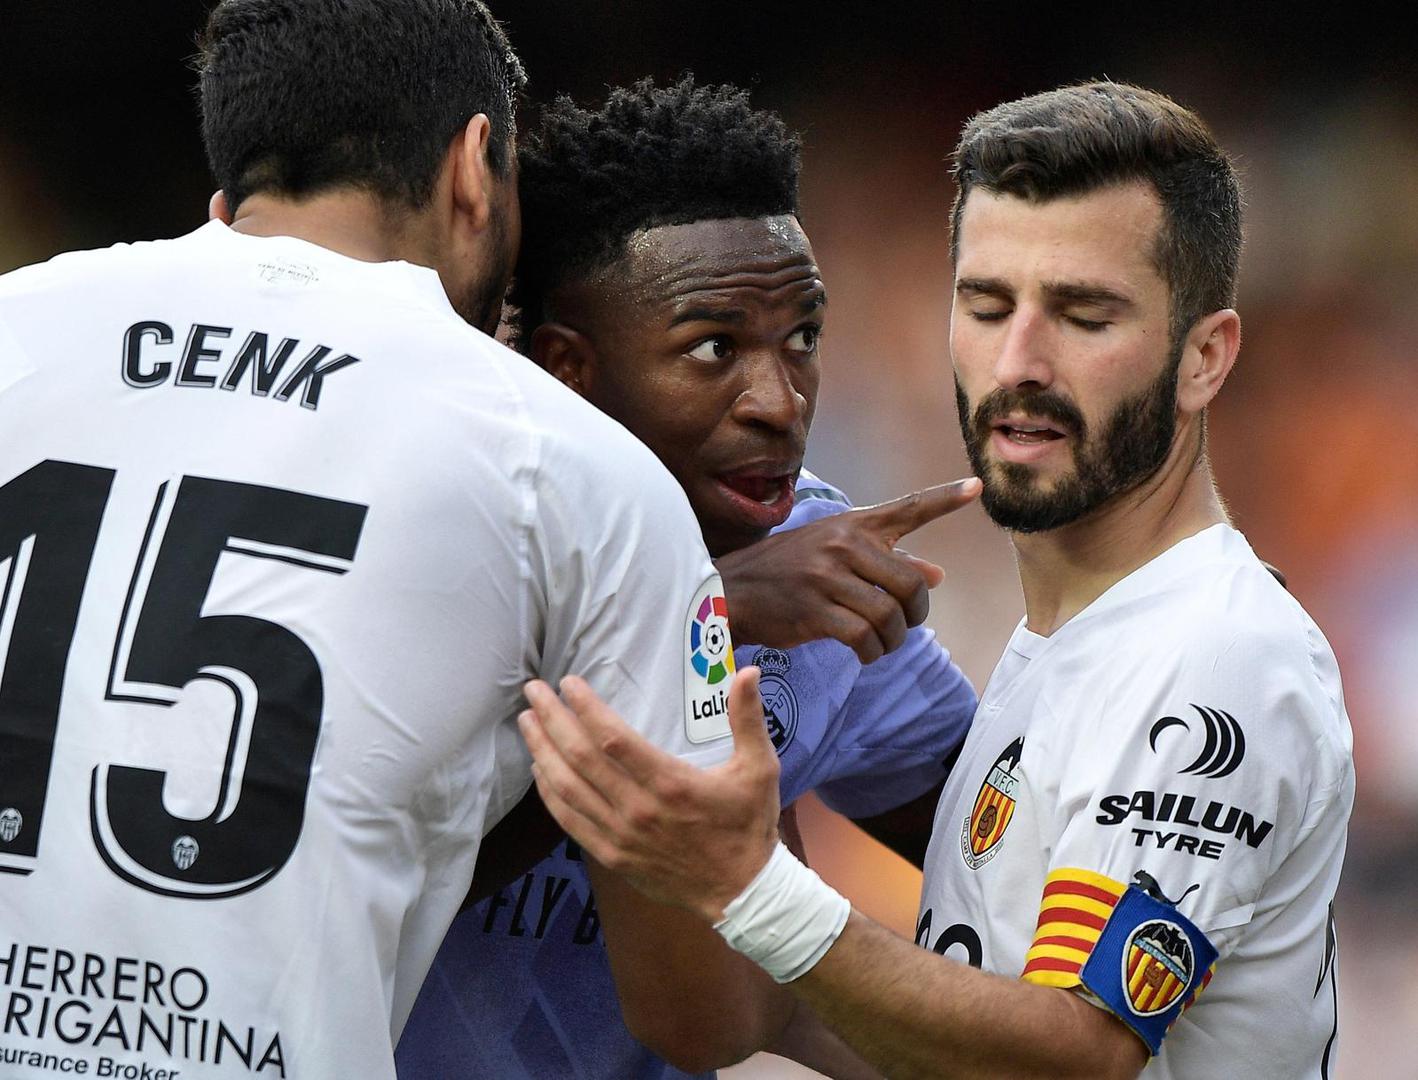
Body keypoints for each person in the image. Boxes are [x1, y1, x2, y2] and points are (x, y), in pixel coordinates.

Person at [518, 81, 1355, 1079]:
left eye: (1084, 316)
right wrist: (701, 625)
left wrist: (749, 887)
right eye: (986, 306)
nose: (1019, 361)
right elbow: (789, 1010)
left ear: (1204, 357)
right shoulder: (1074, 650)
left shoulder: (1209, 656)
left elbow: (1074, 1057)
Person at [0, 4, 759, 1078]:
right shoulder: (573, 466)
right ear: (473, 166)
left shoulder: (17, 324)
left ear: (227, 195)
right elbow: (702, 1017)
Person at [396, 77, 978, 1080]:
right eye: (714, 348)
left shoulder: (818, 558)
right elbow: (371, 875)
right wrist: (696, 614)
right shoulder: (445, 536)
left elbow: (1001, 860)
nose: (779, 401)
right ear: (565, 368)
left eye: (803, 338)